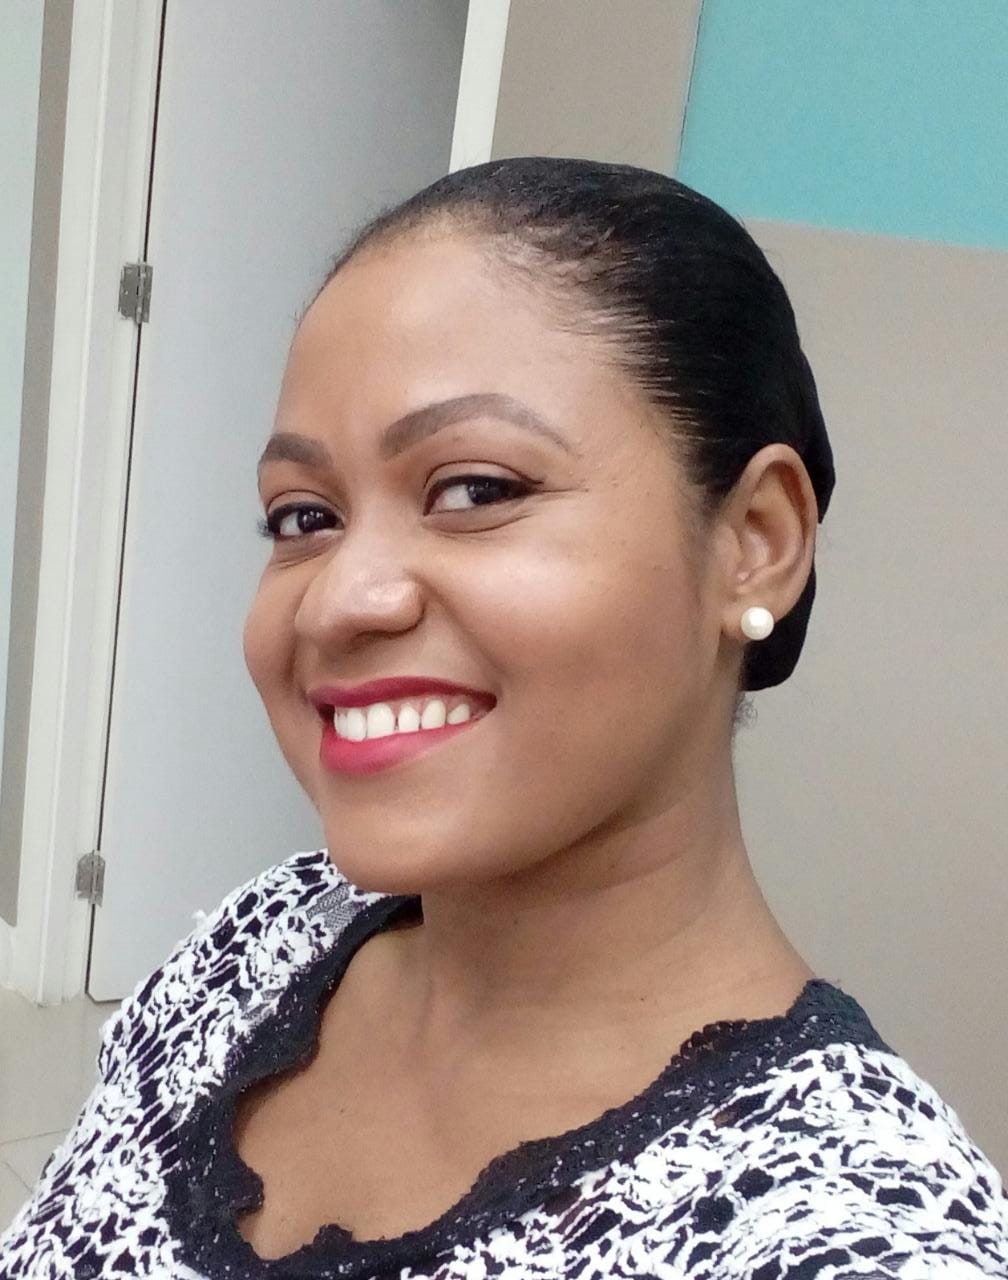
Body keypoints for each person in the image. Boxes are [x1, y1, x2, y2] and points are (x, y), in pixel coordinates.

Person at [2, 156, 1005, 1279]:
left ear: (755, 541)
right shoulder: (259, 946)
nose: (336, 600)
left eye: (475, 489)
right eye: (303, 516)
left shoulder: (852, 1237)